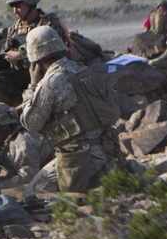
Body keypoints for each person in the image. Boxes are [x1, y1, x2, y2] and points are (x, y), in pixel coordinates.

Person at [20, 26, 122, 193]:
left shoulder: (50, 82)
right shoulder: (81, 70)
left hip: (79, 157)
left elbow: (31, 123)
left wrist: (32, 86)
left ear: (35, 60)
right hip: (106, 146)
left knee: (33, 193)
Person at [0, 102, 52, 189]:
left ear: (3, 126)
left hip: (49, 184)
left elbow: (27, 178)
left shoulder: (22, 142)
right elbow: (13, 175)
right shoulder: (7, 142)